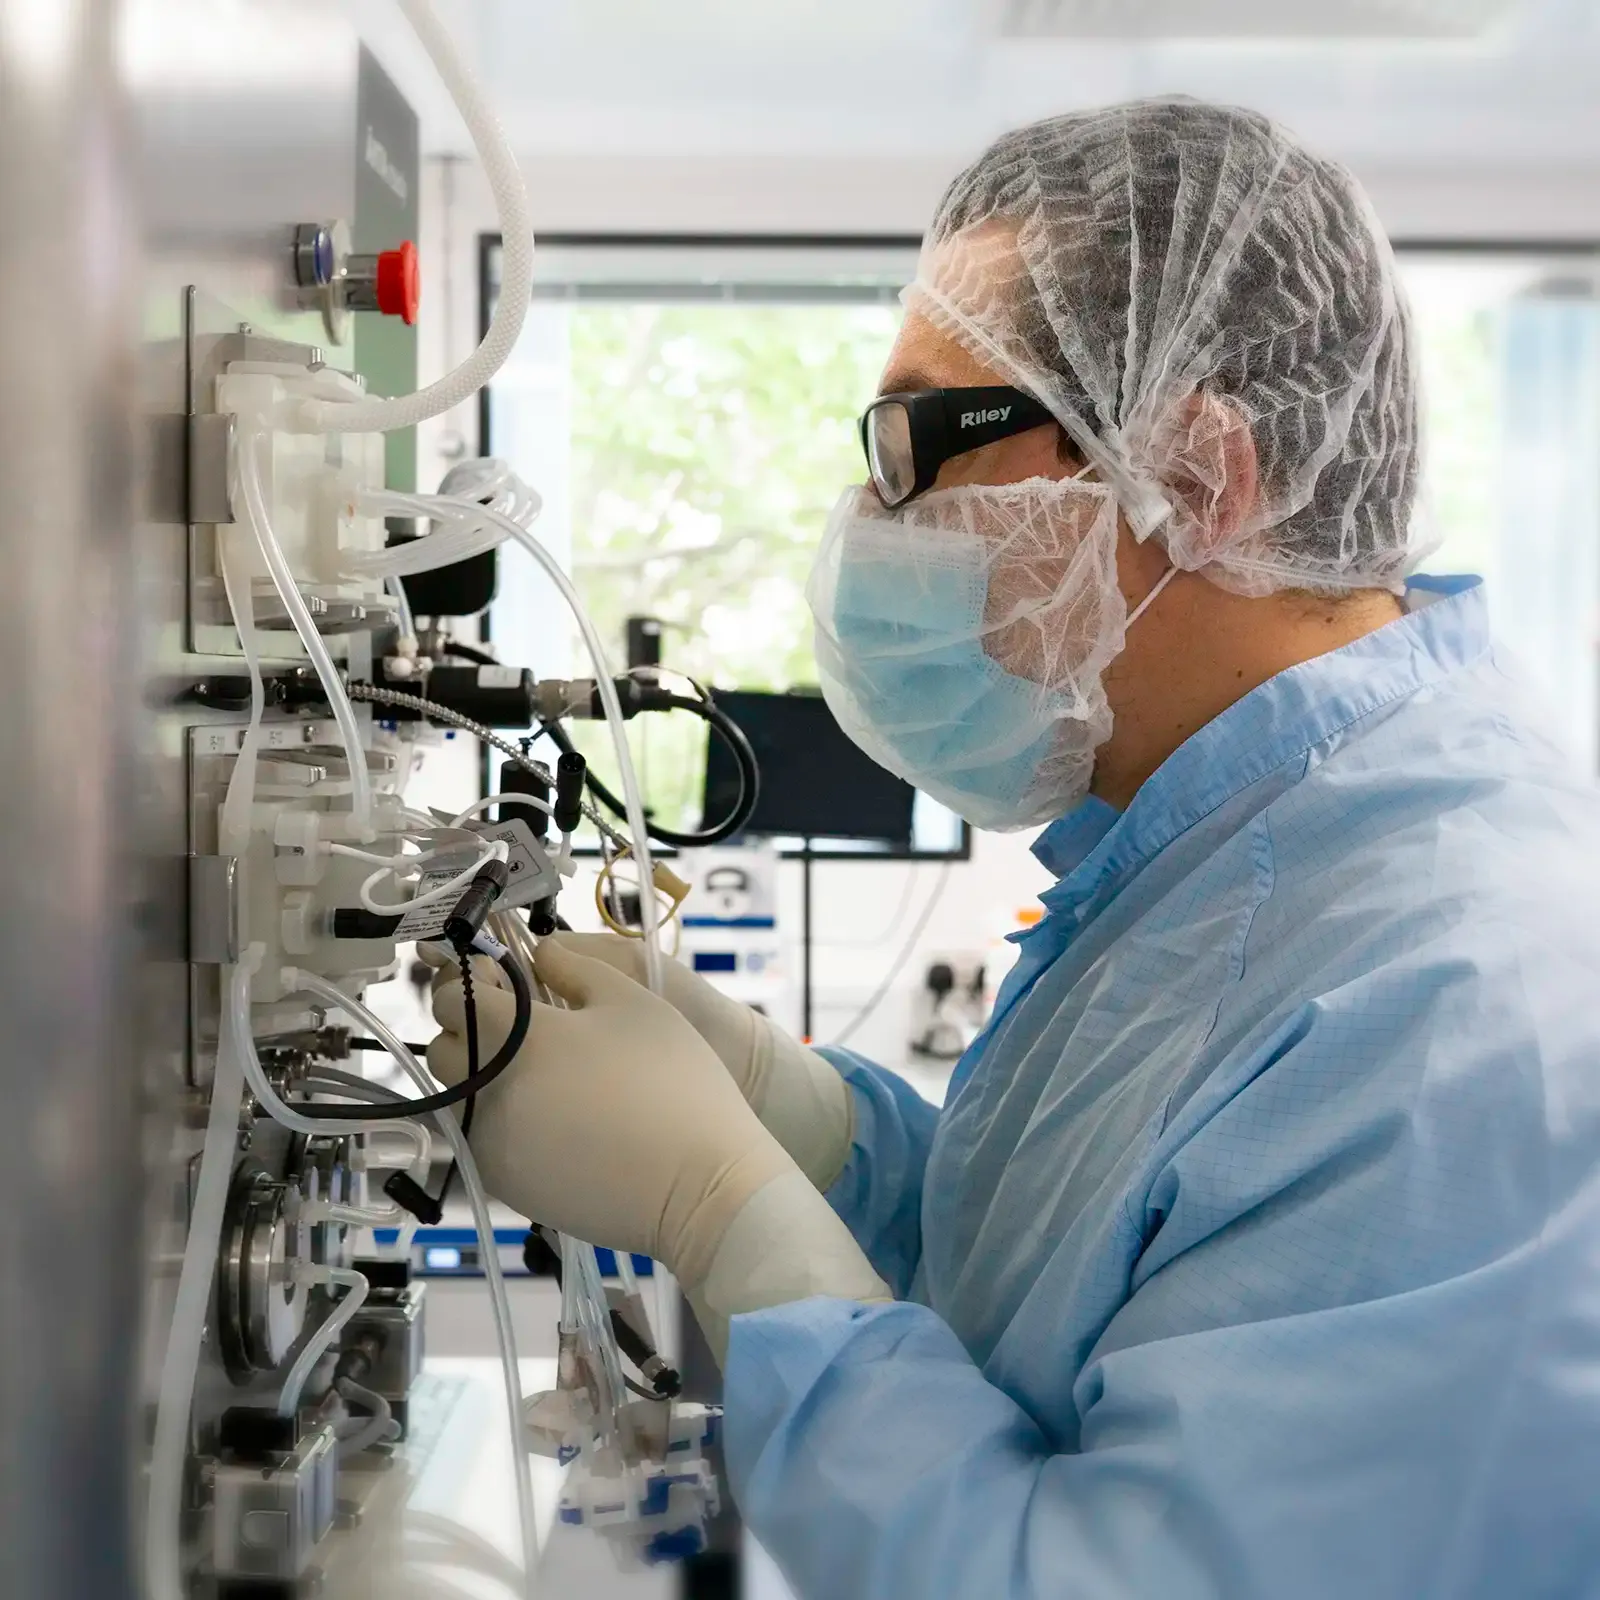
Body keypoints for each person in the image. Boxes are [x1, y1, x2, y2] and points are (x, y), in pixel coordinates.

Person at [429, 98, 1600, 1598]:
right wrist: (801, 1126)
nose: (870, 518)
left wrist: (725, 1215)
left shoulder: (1458, 1004)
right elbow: (1063, 1278)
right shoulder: (1223, 851)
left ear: (1195, 478)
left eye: (916, 444)